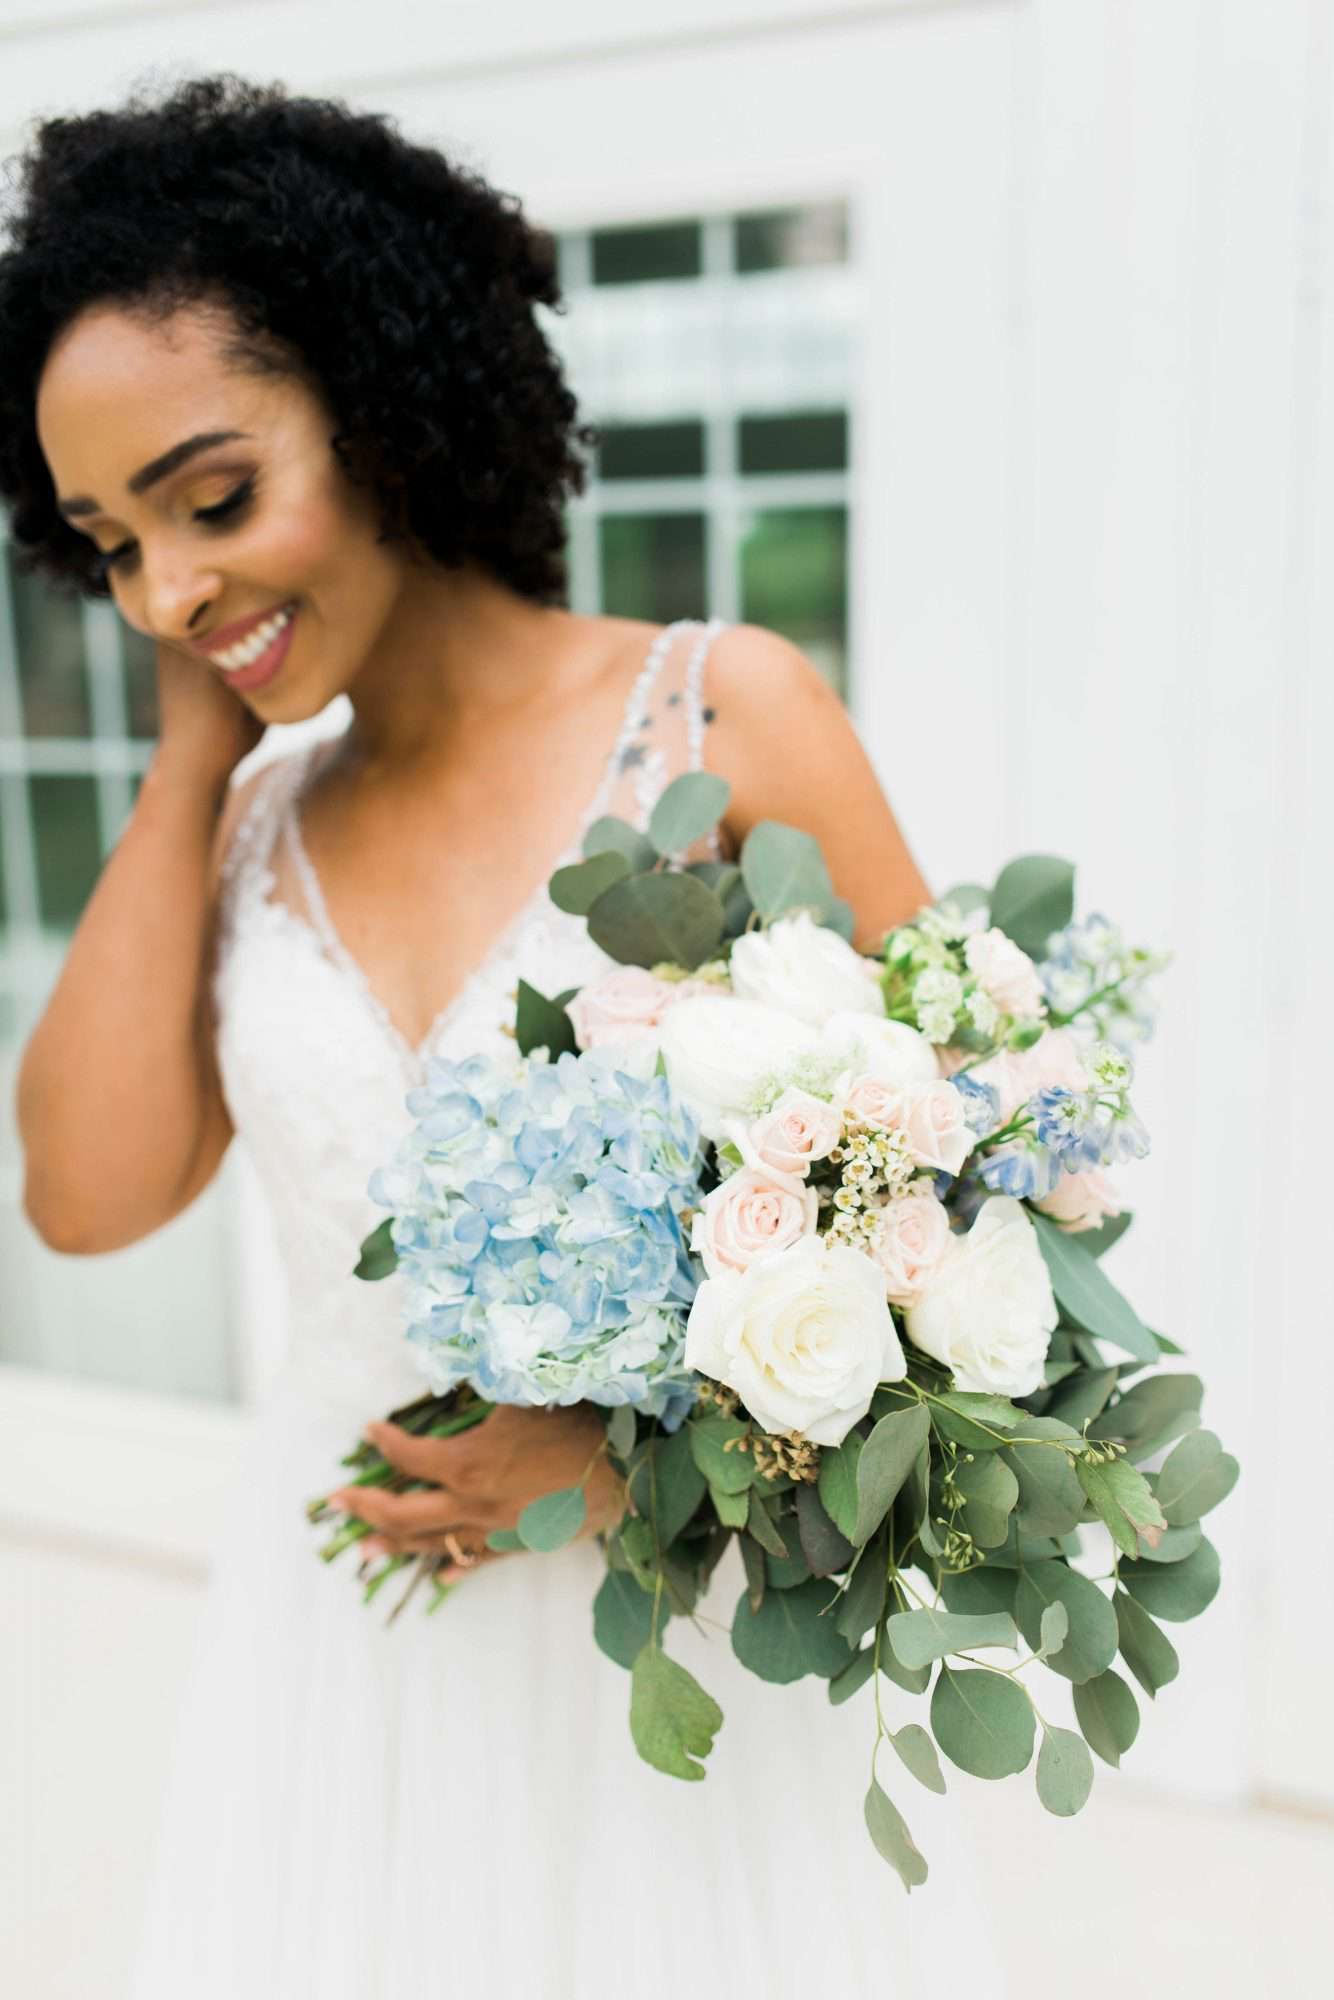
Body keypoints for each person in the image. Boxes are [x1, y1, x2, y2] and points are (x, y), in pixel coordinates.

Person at [2, 73, 1014, 1999]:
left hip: (671, 1666)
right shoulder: (241, 831)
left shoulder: (725, 721)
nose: (168, 587)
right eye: (110, 543)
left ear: (380, 400)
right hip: (340, 1670)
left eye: (211, 499)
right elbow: (85, 1197)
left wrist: (641, 1474)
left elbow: (976, 1228)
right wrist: (191, 755)